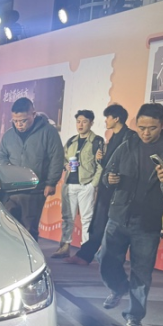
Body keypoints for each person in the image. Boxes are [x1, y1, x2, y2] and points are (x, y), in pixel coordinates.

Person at [99, 103, 163, 326]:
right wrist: (110, 179)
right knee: (106, 259)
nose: (145, 133)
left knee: (142, 271)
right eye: (141, 127)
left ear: (162, 125)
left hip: (149, 220)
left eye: (152, 128)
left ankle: (134, 315)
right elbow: (107, 173)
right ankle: (118, 287)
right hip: (119, 215)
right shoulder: (127, 144)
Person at [67, 103, 134, 266]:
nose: (105, 121)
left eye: (107, 118)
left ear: (116, 119)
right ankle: (85, 255)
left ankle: (93, 257)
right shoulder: (112, 137)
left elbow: (128, 164)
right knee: (98, 224)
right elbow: (109, 164)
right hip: (106, 187)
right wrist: (100, 159)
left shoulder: (129, 137)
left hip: (119, 189)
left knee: (111, 226)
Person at [0, 97, 65, 241]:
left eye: (23, 120)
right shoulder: (9, 135)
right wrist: (8, 170)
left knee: (29, 229)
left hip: (34, 190)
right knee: (8, 227)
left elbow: (56, 157)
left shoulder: (48, 132)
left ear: (33, 114)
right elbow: (1, 155)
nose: (19, 124)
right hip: (11, 190)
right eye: (15, 121)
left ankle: (29, 255)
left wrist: (51, 182)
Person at [54, 110, 104, 259]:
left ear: (91, 123)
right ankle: (65, 246)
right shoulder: (71, 141)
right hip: (69, 183)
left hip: (86, 184)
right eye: (78, 121)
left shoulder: (97, 141)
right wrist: (65, 166)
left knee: (87, 219)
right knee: (67, 217)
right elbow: (62, 158)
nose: (80, 125)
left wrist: (93, 184)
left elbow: (101, 164)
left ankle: (85, 250)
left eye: (84, 121)